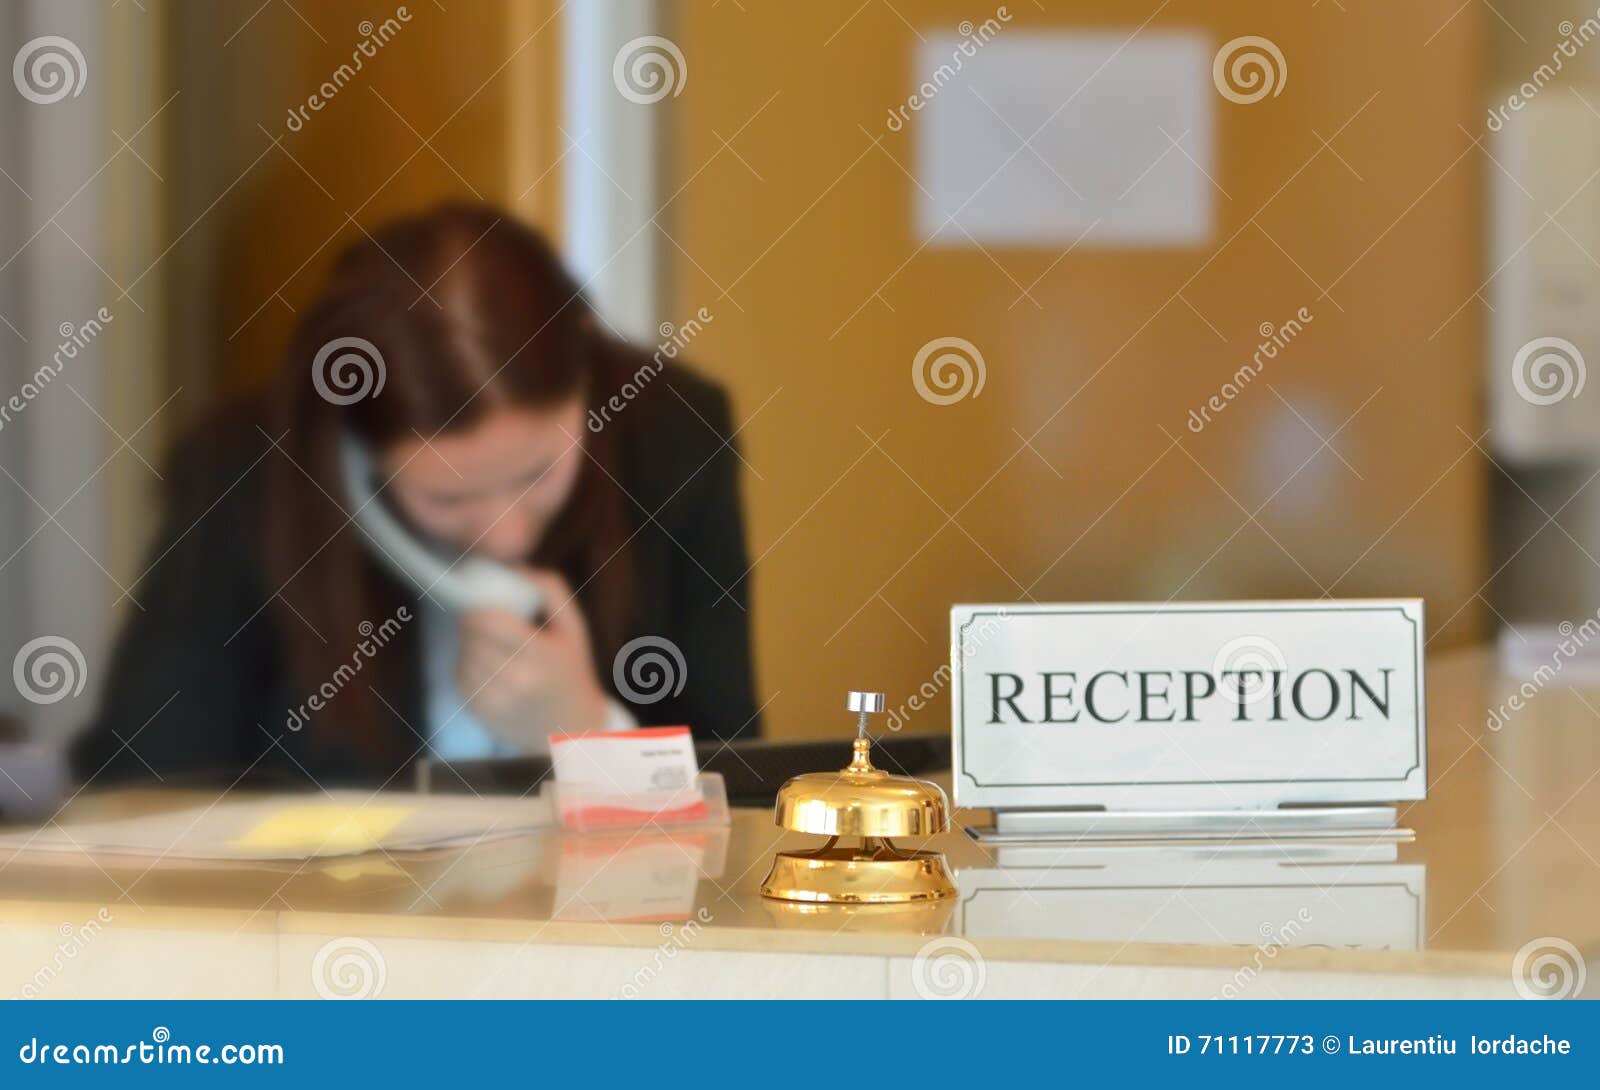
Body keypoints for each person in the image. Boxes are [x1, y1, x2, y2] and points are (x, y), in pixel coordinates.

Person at [70, 203, 759, 787]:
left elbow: (742, 797)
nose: (506, 535)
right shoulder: (234, 475)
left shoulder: (675, 440)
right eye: (448, 499)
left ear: (585, 389)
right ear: (357, 454)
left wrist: (587, 731)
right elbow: (144, 786)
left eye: (537, 474)